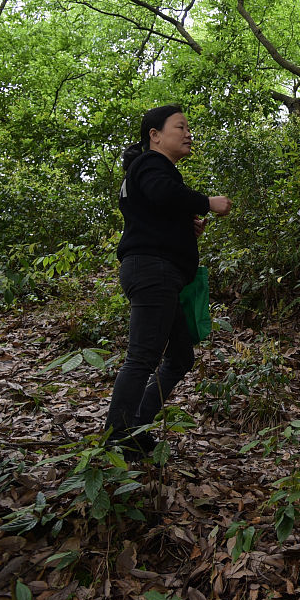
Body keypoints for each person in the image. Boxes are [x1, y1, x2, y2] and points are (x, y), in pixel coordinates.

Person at [105, 105, 232, 457]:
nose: (188, 133)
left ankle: (136, 426)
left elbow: (153, 208)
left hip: (159, 272)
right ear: (155, 135)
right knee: (142, 356)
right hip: (153, 270)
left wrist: (184, 226)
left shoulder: (152, 170)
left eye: (188, 127)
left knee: (179, 356)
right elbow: (162, 193)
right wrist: (206, 202)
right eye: (180, 127)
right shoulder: (151, 163)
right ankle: (117, 439)